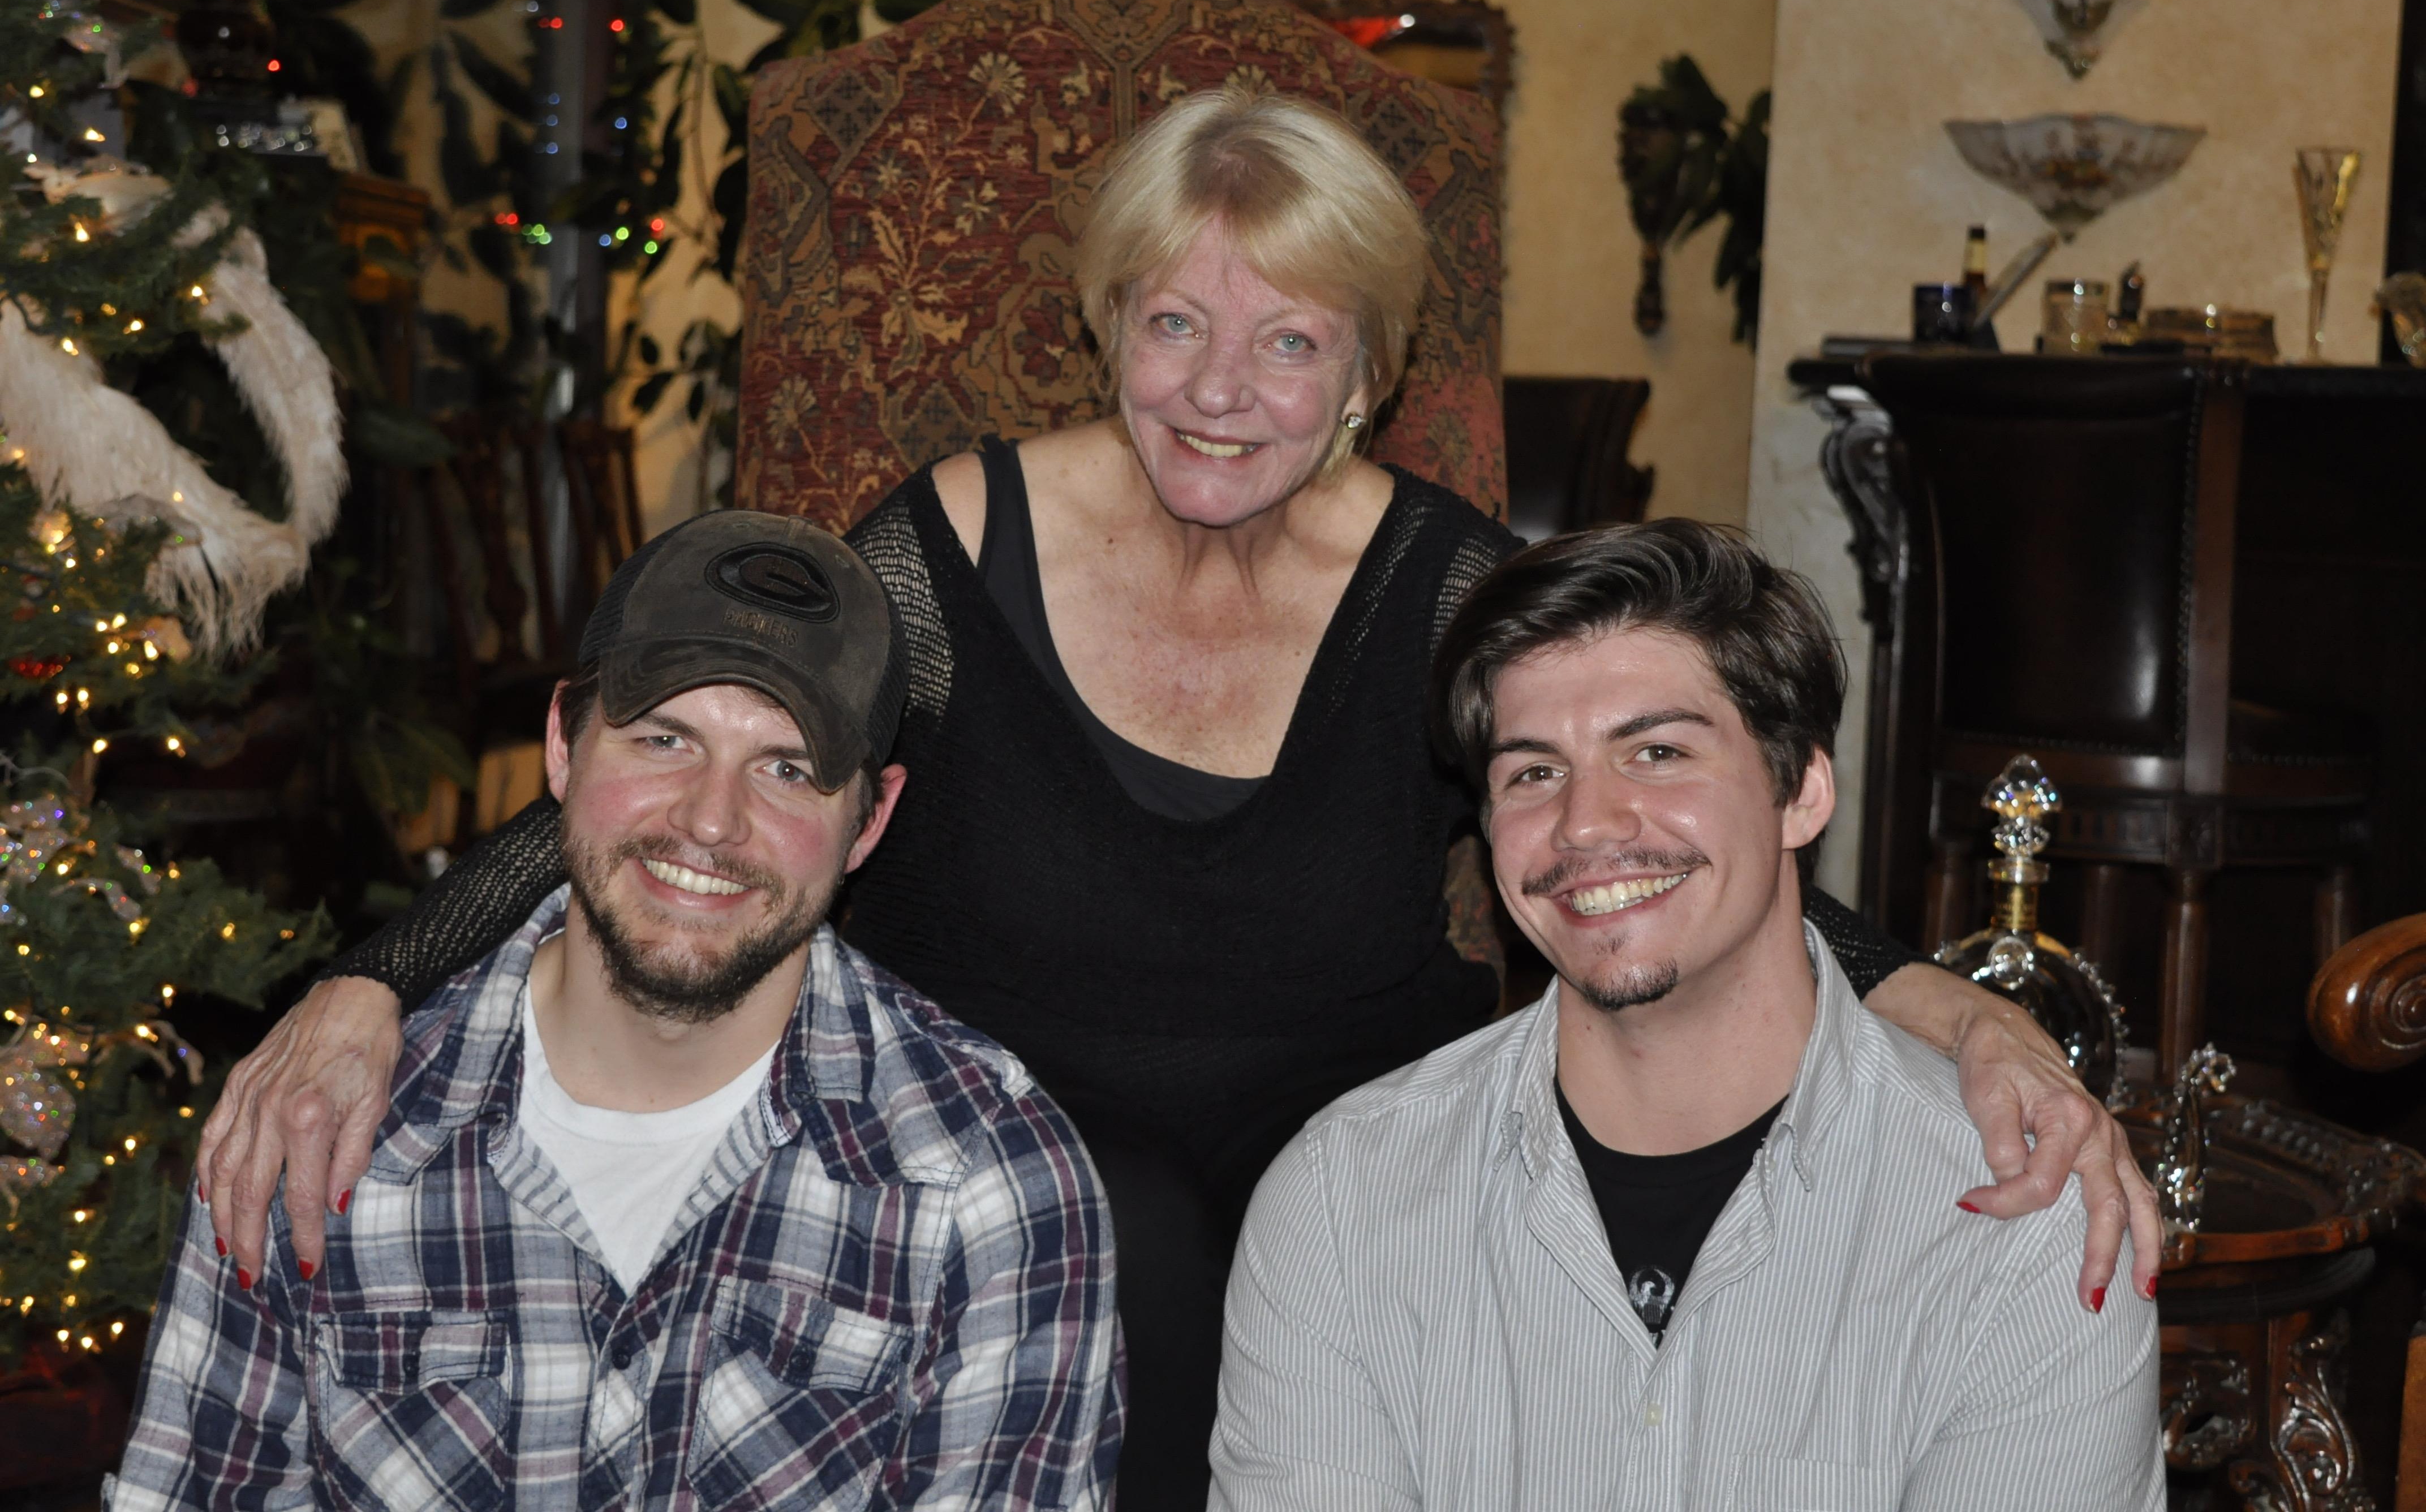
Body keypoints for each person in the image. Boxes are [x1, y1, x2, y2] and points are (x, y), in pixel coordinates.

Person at [193, 87, 2155, 1502]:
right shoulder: (955, 546)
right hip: (994, 1164)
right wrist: (371, 981)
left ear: (1364, 370)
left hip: (1354, 1178)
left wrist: (1960, 1008)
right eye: (1175, 325)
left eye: (1288, 340)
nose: (1222, 389)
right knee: (1119, 1224)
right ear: (1106, 326)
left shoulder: (1448, 587)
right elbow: (699, 775)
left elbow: (1660, 834)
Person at [110, 514, 1121, 1511]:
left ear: (871, 818)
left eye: (786, 770)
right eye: (664, 738)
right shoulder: (319, 1125)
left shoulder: (986, 1183)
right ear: (562, 747)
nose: (711, 820)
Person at [1210, 520, 2162, 1510]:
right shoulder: (1346, 1201)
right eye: (1533, 771)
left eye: (1657, 751)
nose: (1585, 821)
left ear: (1802, 793)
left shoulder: (2021, 1219)